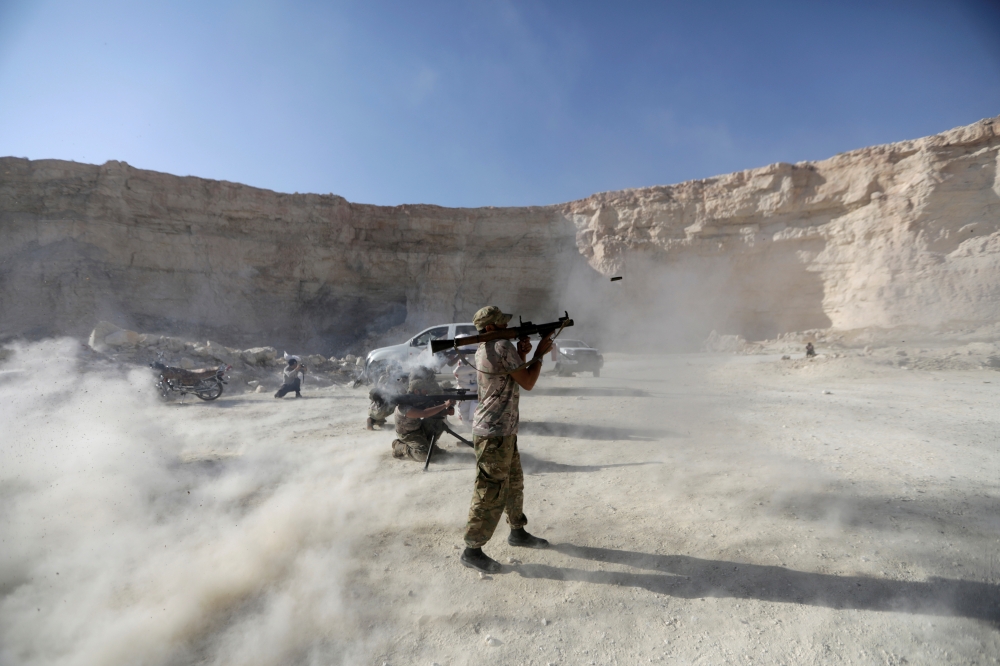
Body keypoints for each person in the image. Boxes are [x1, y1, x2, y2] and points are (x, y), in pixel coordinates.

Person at [460, 305, 554, 573]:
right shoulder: (501, 346)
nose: (506, 328)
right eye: (501, 324)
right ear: (490, 328)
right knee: (489, 490)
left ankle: (517, 531)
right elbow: (527, 382)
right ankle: (472, 549)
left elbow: (508, 376)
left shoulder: (486, 348)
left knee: (513, 483)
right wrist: (538, 354)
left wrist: (522, 354)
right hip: (495, 433)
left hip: (500, 430)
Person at [391, 376, 455, 462]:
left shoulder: (417, 401)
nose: (427, 392)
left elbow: (431, 414)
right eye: (425, 390)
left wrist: (446, 412)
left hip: (419, 429)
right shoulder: (404, 406)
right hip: (408, 436)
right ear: (416, 391)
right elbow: (424, 413)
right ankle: (400, 446)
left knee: (438, 421)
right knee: (424, 456)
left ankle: (429, 446)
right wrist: (444, 405)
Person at [452, 352, 478, 427]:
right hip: (464, 390)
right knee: (465, 413)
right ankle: (468, 422)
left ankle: (469, 422)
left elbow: (457, 372)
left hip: (466, 390)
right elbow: (457, 372)